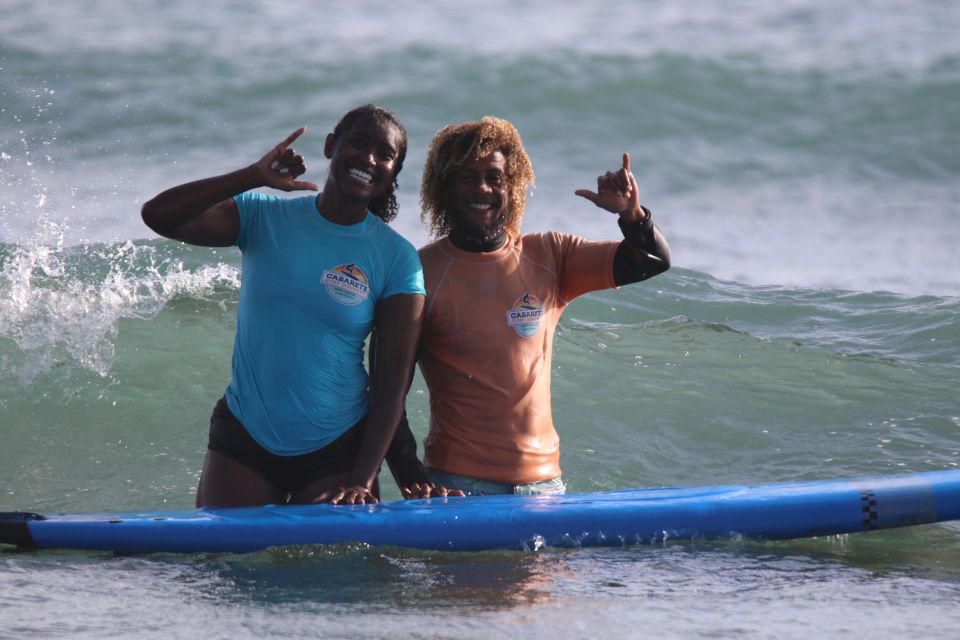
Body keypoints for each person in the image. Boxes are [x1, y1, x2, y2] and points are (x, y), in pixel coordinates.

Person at [140, 104, 425, 507]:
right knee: (228, 567)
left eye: (385, 154)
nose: (369, 159)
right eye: (358, 144)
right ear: (330, 147)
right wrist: (253, 176)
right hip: (246, 435)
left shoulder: (396, 259)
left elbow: (393, 386)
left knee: (336, 570)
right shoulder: (263, 216)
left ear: (394, 171)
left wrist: (363, 478)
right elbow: (159, 216)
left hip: (338, 448)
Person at [390, 116, 671, 497]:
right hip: (458, 485)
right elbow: (389, 390)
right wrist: (412, 474)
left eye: (494, 177)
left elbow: (651, 260)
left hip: (545, 487)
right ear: (445, 187)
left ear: (513, 185)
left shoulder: (551, 256)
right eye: (467, 177)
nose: (482, 188)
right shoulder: (420, 271)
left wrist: (631, 215)